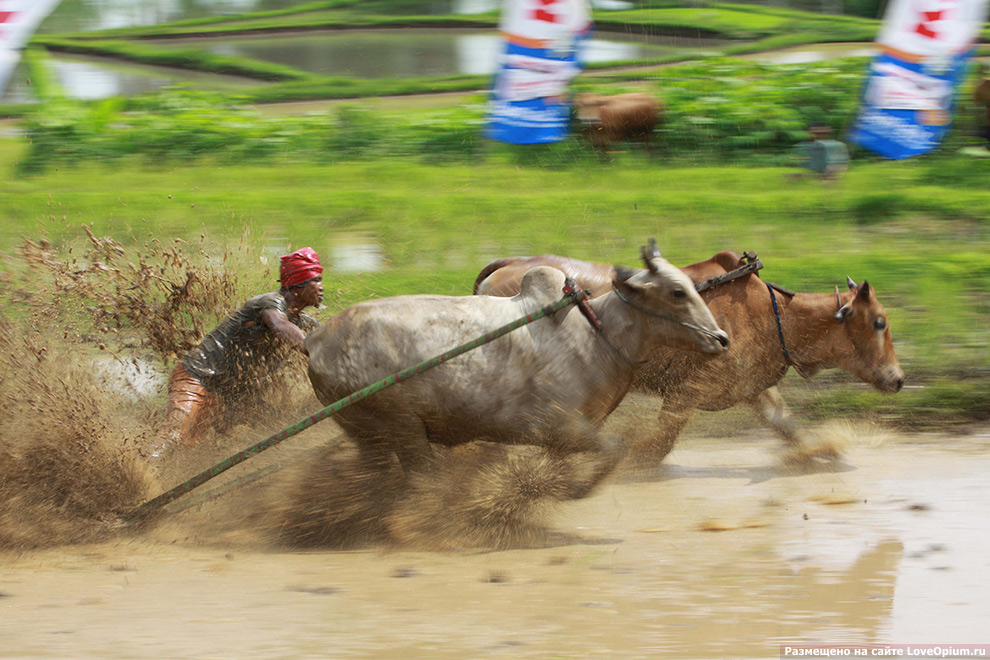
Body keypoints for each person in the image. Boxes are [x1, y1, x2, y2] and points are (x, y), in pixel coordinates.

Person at [151, 247, 325, 461]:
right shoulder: (270, 303)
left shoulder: (304, 323)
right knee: (173, 437)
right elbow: (280, 327)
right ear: (299, 284)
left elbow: (329, 340)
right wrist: (313, 348)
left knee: (279, 427)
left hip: (232, 393)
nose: (321, 287)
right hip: (198, 377)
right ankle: (139, 481)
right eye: (316, 280)